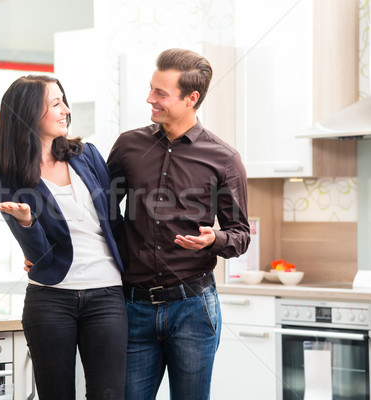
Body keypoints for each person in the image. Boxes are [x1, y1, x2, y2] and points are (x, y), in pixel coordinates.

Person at [107, 48, 250, 400]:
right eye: (151, 89)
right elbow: (102, 213)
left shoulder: (224, 159)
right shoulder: (128, 146)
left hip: (193, 308)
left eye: (160, 93)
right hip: (133, 306)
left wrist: (213, 239)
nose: (149, 99)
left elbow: (240, 235)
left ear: (191, 98)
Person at [0, 75, 128, 400]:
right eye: (55, 103)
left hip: (106, 295)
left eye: (63, 101)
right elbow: (40, 256)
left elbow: (114, 223)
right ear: (28, 113)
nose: (65, 110)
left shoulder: (87, 155)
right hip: (51, 300)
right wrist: (27, 222)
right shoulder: (8, 176)